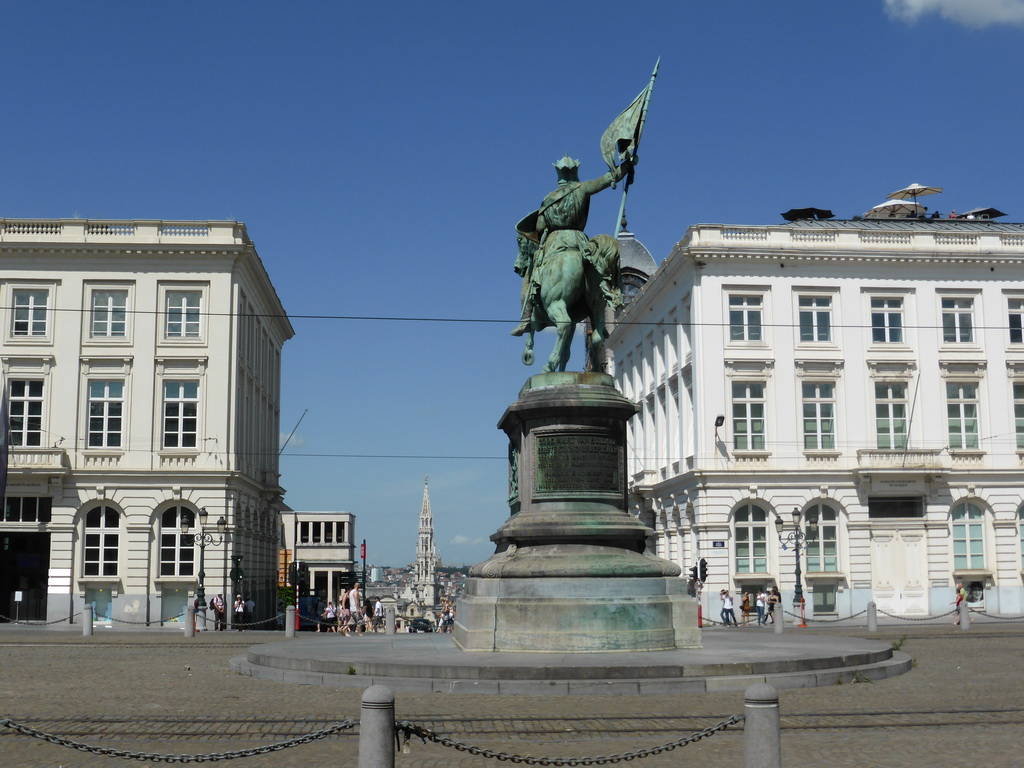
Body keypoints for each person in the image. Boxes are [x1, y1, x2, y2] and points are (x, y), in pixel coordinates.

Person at [510, 154, 631, 338]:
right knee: (597, 270)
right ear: (576, 171)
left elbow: (541, 227)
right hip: (580, 243)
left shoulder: (548, 199)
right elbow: (608, 179)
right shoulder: (583, 188)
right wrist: (627, 165)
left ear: (558, 174)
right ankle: (599, 319)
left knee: (529, 276)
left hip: (555, 243)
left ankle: (526, 319)